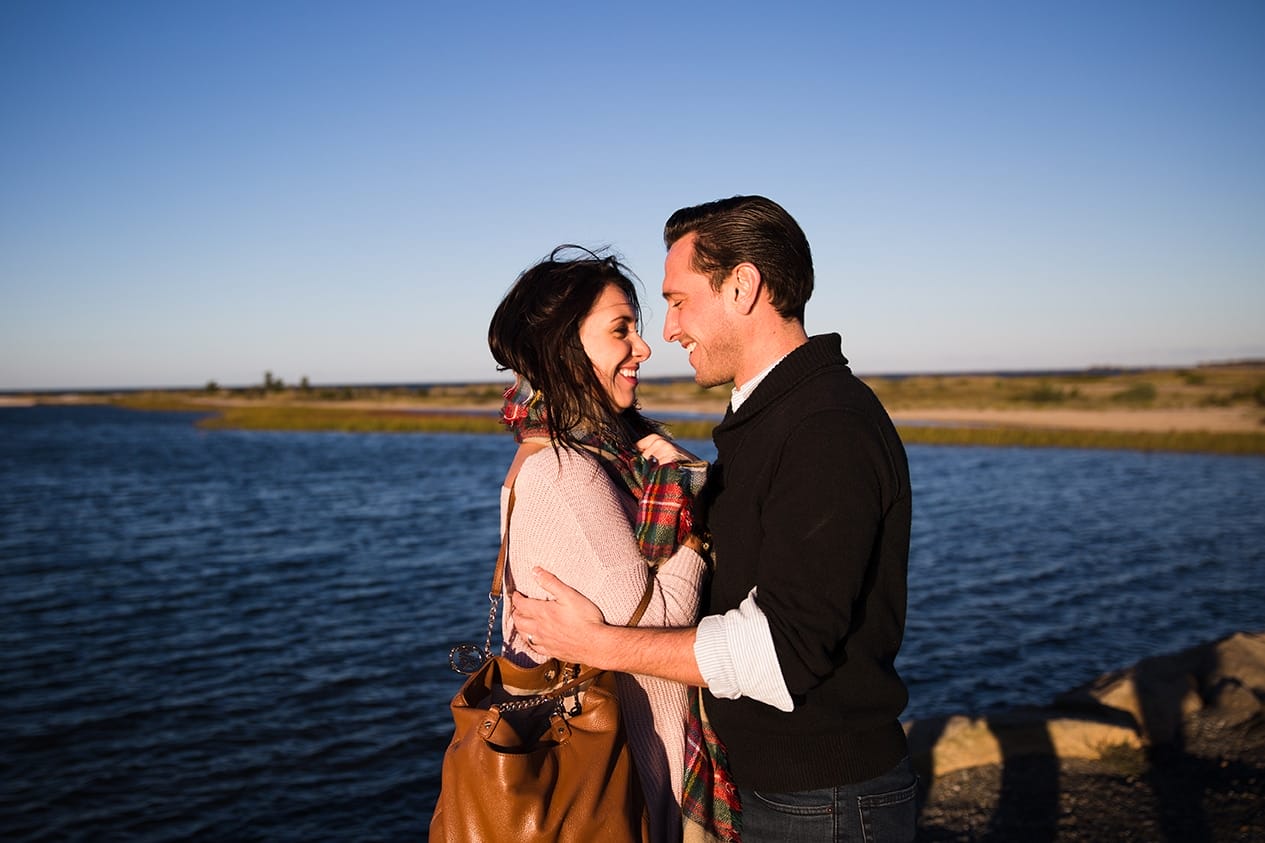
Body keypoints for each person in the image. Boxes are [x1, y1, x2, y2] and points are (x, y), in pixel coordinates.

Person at [512, 197, 917, 842]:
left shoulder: (825, 429)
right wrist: (696, 483)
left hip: (821, 800)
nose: (667, 332)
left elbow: (782, 652)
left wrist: (599, 644)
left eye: (677, 300)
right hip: (789, 791)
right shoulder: (775, 418)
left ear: (742, 286)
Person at [487, 245, 710, 843]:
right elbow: (663, 619)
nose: (644, 346)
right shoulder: (566, 470)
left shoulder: (592, 454)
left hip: (628, 770)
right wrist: (703, 515)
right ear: (565, 348)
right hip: (629, 781)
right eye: (622, 329)